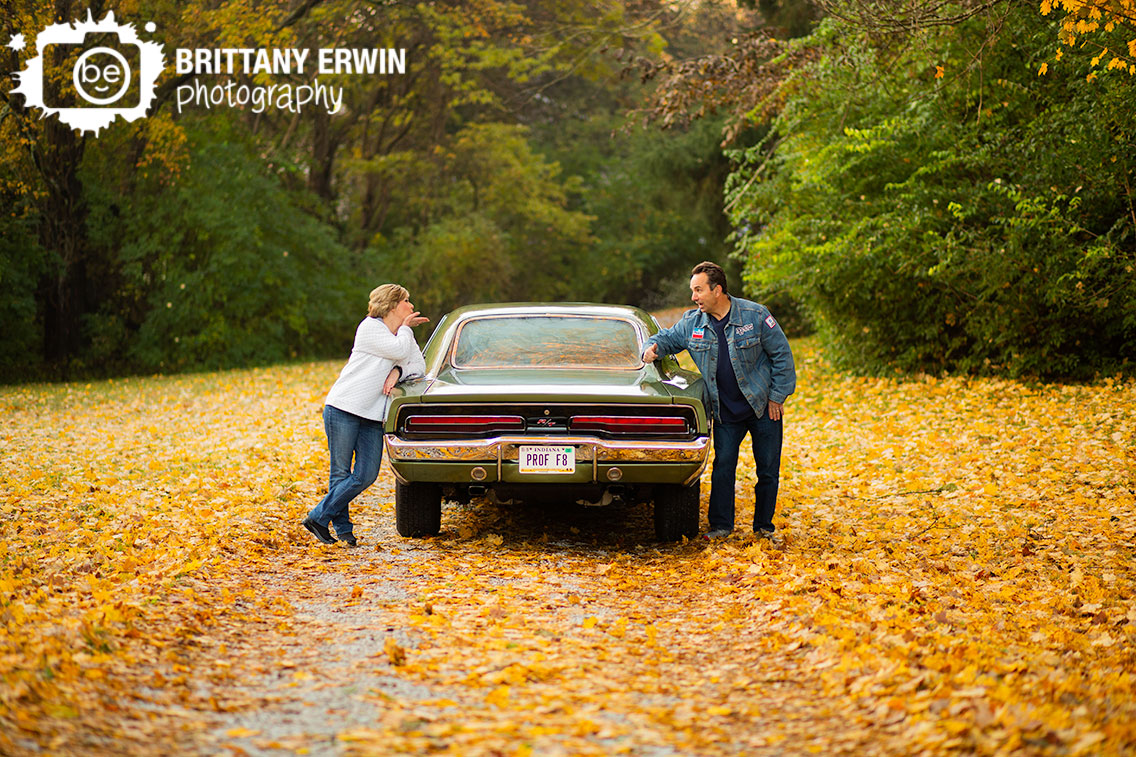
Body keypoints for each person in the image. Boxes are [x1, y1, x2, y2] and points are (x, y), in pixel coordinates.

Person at [642, 262, 795, 540]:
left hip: (762, 407)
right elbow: (666, 338)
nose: (694, 297)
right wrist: (651, 348)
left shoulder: (755, 315)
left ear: (718, 290)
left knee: (768, 471)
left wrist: (777, 396)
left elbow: (782, 356)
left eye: (699, 290)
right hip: (725, 412)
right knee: (723, 467)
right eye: (693, 290)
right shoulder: (693, 323)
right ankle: (721, 527)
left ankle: (763, 529)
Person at [302, 284, 428, 546]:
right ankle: (344, 531)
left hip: (373, 415)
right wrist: (404, 331)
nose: (412, 306)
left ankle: (318, 516)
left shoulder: (402, 336)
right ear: (393, 305)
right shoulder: (370, 327)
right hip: (344, 408)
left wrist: (398, 373)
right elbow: (399, 352)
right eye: (407, 300)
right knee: (340, 474)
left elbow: (418, 365)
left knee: (366, 474)